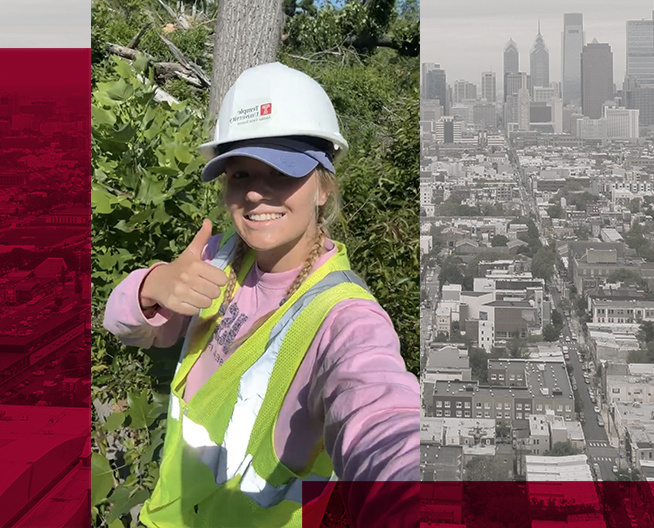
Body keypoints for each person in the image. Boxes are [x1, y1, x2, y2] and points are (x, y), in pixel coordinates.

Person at [103, 62, 420, 528]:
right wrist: (153, 286)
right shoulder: (218, 257)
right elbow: (120, 327)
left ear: (322, 187)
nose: (255, 195)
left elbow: (381, 415)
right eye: (240, 175)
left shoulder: (345, 317)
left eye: (281, 173)